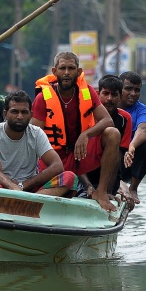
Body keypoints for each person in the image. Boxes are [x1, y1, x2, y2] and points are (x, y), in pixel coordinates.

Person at [31, 51, 120, 212]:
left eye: (71, 68)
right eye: (62, 68)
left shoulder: (87, 92)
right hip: (55, 158)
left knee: (113, 133)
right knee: (64, 183)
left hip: (81, 153)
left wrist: (86, 134)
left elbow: (108, 121)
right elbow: (33, 136)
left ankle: (101, 192)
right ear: (54, 71)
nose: (66, 73)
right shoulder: (42, 98)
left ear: (78, 72)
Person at [0, 90, 78, 197]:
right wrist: (12, 187)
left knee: (70, 178)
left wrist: (23, 186)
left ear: (30, 115)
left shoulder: (36, 133)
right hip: (2, 187)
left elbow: (57, 166)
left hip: (29, 190)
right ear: (5, 114)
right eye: (15, 112)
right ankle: (30, 204)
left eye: (24, 112)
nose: (20, 116)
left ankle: (29, 204)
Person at [83, 75, 138, 207]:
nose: (109, 99)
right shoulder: (86, 114)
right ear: (98, 94)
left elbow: (117, 157)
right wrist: (88, 187)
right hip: (84, 169)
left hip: (106, 172)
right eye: (105, 93)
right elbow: (77, 154)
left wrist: (107, 191)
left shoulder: (125, 118)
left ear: (120, 98)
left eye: (114, 95)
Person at [118, 71, 146, 203]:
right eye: (128, 89)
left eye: (137, 90)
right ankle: (117, 182)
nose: (133, 93)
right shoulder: (109, 105)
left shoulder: (143, 109)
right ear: (119, 89)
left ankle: (133, 188)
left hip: (128, 160)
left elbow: (143, 128)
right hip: (107, 158)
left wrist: (132, 146)